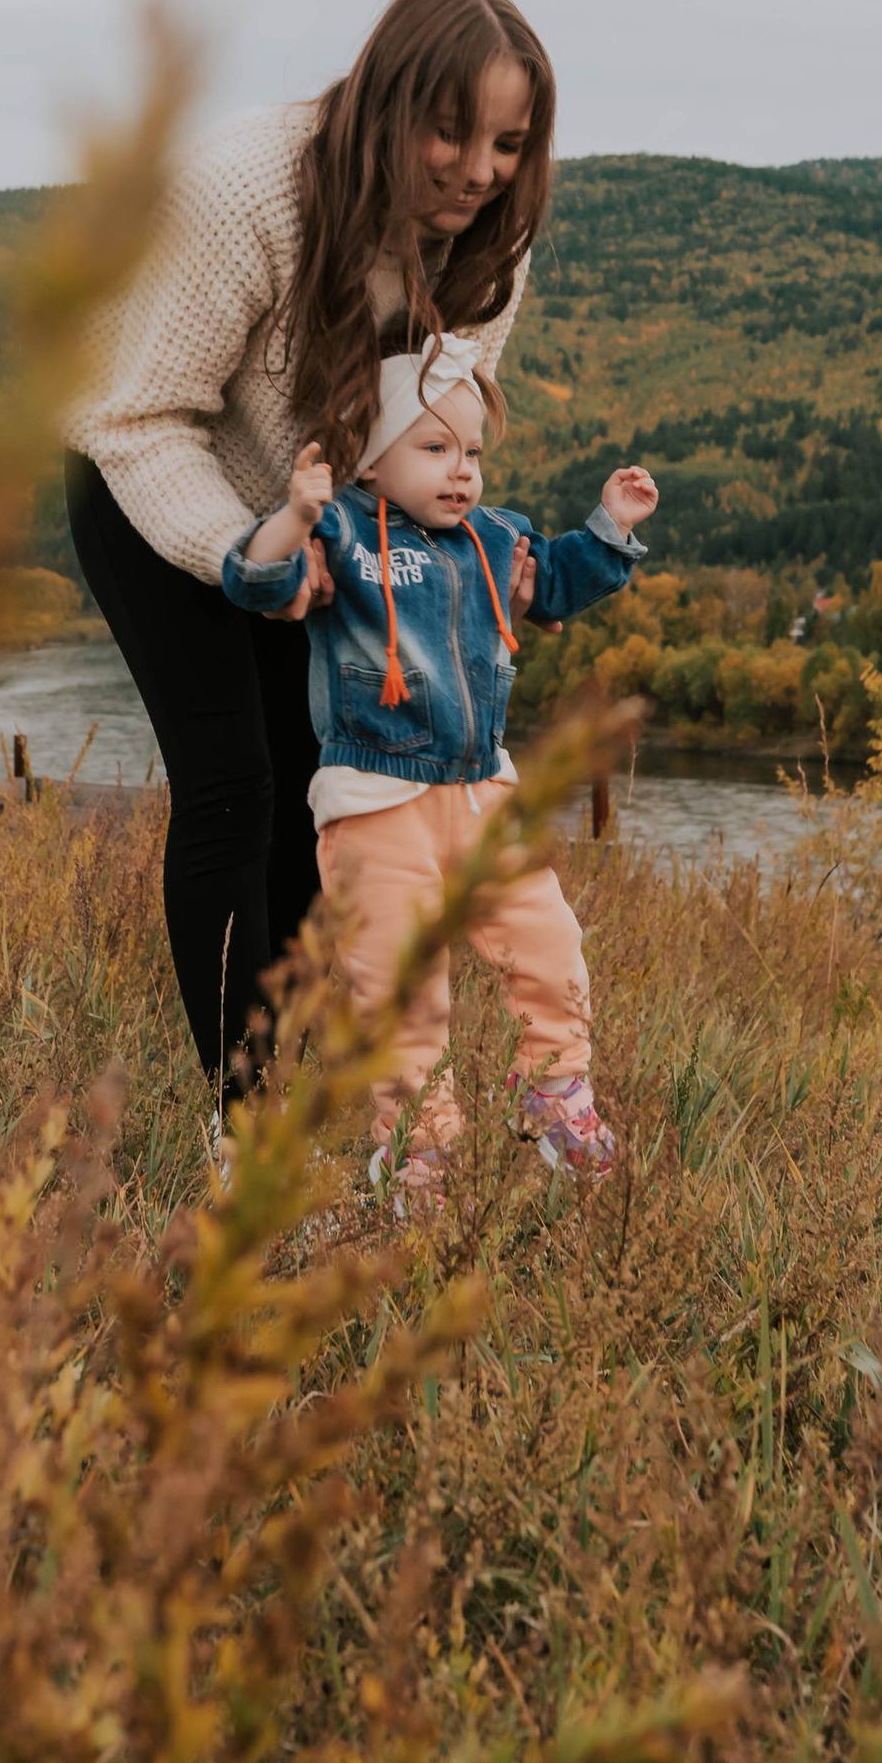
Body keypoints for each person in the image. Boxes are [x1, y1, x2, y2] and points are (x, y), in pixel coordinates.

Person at [65, 0, 552, 1100]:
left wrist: (453, 565)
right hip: (155, 485)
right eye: (450, 132)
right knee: (233, 782)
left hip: (325, 527)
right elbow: (131, 416)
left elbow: (430, 438)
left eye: (508, 143)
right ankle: (236, 1116)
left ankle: (280, 1075)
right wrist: (257, 555)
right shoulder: (245, 191)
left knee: (320, 787)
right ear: (387, 104)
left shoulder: (490, 242)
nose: (478, 172)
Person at [221, 339, 654, 1202]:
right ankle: (421, 1146)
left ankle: (555, 1099)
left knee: (549, 942)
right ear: (372, 459)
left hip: (483, 789)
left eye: (474, 454)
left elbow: (553, 586)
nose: (463, 473)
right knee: (404, 986)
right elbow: (254, 581)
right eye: (436, 449)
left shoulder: (496, 537)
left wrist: (611, 528)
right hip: (377, 799)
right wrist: (295, 517)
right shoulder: (344, 527)